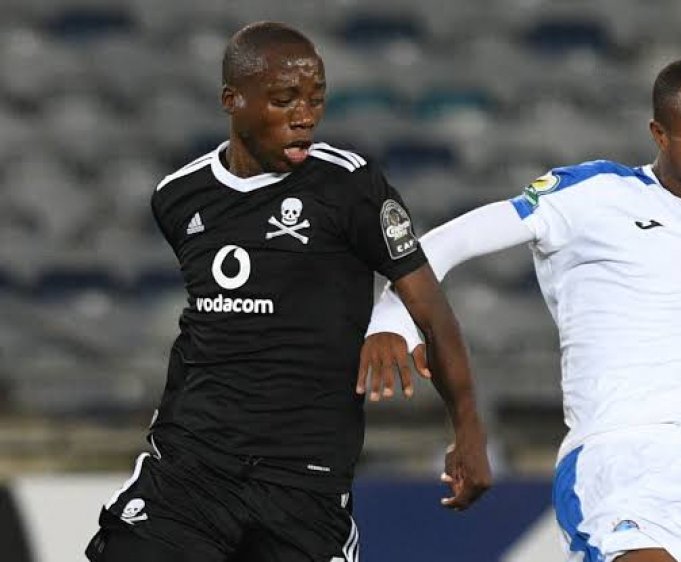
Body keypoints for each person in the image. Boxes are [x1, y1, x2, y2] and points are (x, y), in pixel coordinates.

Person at [359, 58, 681, 561]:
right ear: (661, 135)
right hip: (613, 468)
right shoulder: (592, 194)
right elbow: (450, 242)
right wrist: (390, 322)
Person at [85, 22, 490, 562]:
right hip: (193, 471)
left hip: (305, 485)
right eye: (284, 100)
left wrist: (468, 430)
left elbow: (433, 313)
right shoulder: (179, 197)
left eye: (315, 100)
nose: (305, 117)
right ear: (232, 100)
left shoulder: (350, 187)